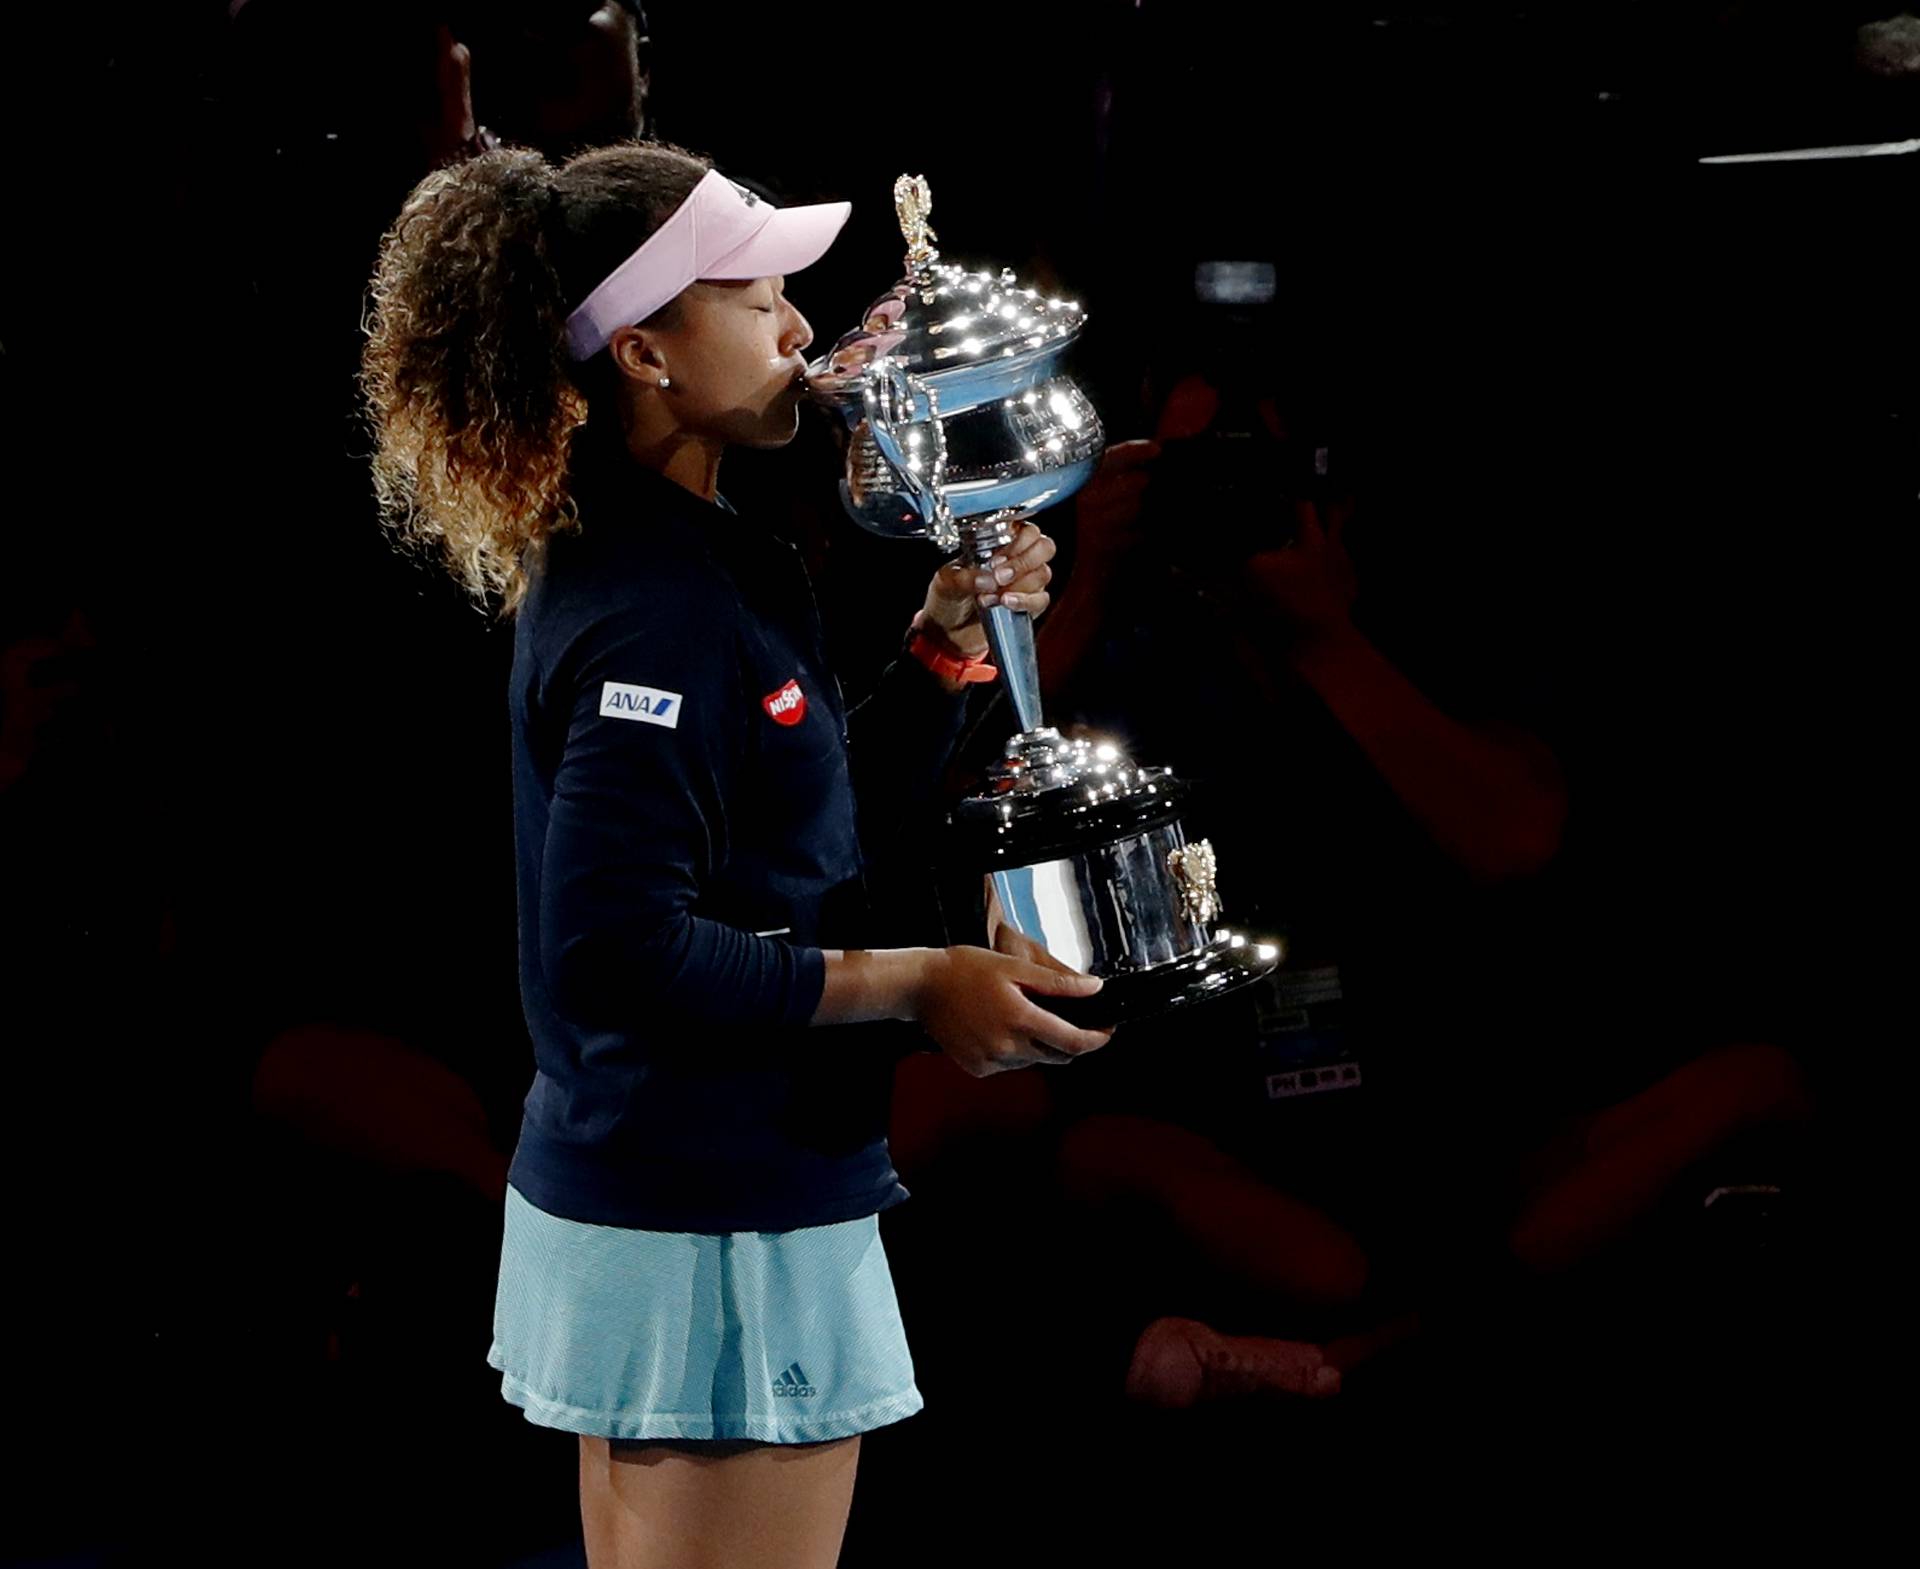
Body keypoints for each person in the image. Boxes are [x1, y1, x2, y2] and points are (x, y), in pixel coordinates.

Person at [358, 138, 1115, 1567]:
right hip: (706, 1221)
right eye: (760, 297)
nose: (799, 330)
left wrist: (943, 657)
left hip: (706, 1191)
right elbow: (618, 948)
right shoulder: (655, 610)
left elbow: (788, 843)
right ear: (645, 349)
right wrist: (916, 983)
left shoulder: (704, 558)